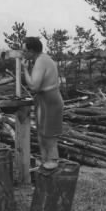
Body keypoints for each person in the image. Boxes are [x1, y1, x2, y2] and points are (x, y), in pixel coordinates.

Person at [21, 37, 63, 167]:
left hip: (50, 101)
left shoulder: (41, 61)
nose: (23, 54)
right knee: (41, 134)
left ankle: (53, 161)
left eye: (25, 51)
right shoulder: (42, 59)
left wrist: (25, 70)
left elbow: (34, 86)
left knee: (48, 135)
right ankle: (46, 161)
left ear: (32, 51)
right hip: (45, 100)